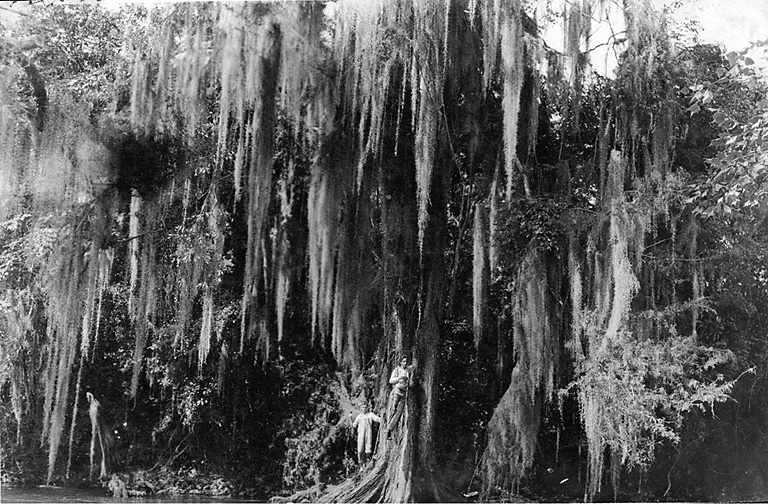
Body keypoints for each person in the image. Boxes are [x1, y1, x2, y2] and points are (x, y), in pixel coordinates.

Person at [387, 354, 415, 434]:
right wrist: (399, 378)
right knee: (393, 409)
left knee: (399, 411)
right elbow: (391, 380)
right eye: (403, 361)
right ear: (400, 362)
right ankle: (388, 428)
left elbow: (414, 367)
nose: (405, 363)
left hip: (404, 393)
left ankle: (390, 428)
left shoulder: (407, 369)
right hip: (397, 391)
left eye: (406, 361)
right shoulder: (396, 370)